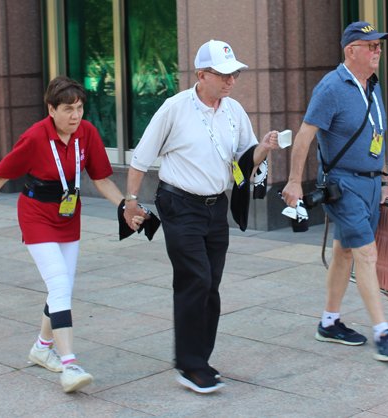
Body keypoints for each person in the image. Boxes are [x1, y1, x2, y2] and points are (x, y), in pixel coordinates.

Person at [0, 76, 145, 392]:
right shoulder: (33, 137)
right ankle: (69, 365)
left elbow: (100, 180)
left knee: (63, 287)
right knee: (58, 280)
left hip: (68, 214)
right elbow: (1, 174)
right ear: (51, 110)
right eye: (68, 109)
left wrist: (126, 205)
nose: (76, 116)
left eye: (80, 108)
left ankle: (42, 347)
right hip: (36, 213)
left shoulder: (87, 133)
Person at [123, 40, 280, 393]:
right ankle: (190, 365)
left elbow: (244, 160)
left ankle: (199, 359)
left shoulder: (234, 110)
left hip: (215, 207)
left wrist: (263, 148)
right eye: (223, 75)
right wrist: (130, 202)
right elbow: (140, 159)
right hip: (179, 204)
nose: (230, 81)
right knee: (195, 278)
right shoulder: (174, 108)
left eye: (234, 74)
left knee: (211, 284)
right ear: (201, 75)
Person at [282, 22, 388, 362]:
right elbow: (305, 136)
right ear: (350, 51)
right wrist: (295, 181)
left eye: (379, 46)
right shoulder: (331, 87)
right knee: (366, 254)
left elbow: (377, 135)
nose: (377, 51)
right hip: (343, 185)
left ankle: (329, 322)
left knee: (344, 252)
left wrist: (383, 181)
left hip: (370, 184)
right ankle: (383, 333)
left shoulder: (372, 86)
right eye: (370, 46)